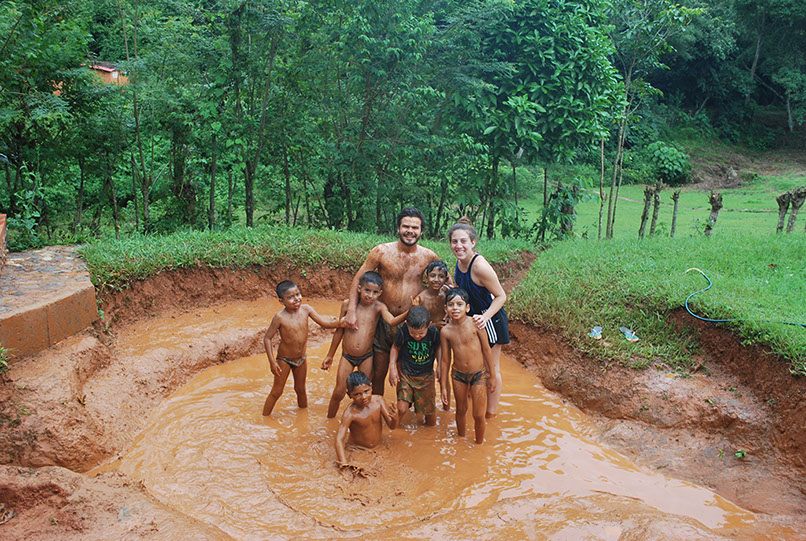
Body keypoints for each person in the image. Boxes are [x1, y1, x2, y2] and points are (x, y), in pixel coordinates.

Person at [344, 207, 441, 396]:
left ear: (422, 231)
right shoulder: (381, 252)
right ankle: (377, 408)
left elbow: (445, 284)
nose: (410, 231)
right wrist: (351, 310)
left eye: (415, 227)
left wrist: (443, 316)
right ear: (398, 228)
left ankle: (402, 410)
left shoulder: (429, 256)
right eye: (406, 226)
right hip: (383, 319)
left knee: (408, 373)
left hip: (410, 323)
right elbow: (358, 279)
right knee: (378, 373)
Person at [322, 271, 409, 418]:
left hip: (366, 357)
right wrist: (330, 355)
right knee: (339, 392)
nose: (370, 295)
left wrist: (409, 311)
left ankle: (368, 421)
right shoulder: (347, 305)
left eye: (375, 292)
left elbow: (391, 321)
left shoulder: (379, 307)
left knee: (366, 394)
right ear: (359, 288)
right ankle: (329, 420)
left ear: (380, 293)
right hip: (347, 356)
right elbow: (339, 331)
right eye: (367, 290)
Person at [449, 219, 509, 418]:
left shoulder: (480, 266)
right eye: (455, 241)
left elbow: (501, 296)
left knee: (491, 368)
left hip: (490, 318)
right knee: (475, 363)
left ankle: (491, 414)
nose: (459, 246)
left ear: (473, 243)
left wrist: (485, 317)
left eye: (463, 241)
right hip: (473, 319)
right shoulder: (459, 262)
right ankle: (474, 400)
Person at [262, 280, 343, 416]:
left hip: (301, 358)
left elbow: (325, 323)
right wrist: (272, 362)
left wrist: (341, 323)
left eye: (298, 294)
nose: (296, 299)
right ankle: (264, 417)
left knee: (300, 389)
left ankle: (303, 416)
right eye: (290, 297)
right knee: (277, 391)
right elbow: (267, 338)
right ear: (282, 301)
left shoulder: (306, 309)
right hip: (284, 360)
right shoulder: (280, 317)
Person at [440, 288, 495, 444]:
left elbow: (487, 350)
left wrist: (492, 376)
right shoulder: (445, 331)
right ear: (445, 308)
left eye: (459, 304)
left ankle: (479, 445)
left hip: (479, 374)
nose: (455, 308)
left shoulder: (476, 324)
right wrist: (443, 386)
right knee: (461, 410)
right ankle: (461, 441)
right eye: (451, 305)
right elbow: (445, 360)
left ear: (467, 308)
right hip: (458, 375)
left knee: (478, 415)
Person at [388, 306, 443, 426]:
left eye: (421, 333)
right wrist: (392, 367)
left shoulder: (433, 332)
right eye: (413, 333)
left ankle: (429, 435)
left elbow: (438, 347)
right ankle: (392, 429)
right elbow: (395, 348)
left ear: (429, 325)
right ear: (407, 324)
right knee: (401, 408)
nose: (417, 337)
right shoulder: (403, 331)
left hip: (426, 377)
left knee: (430, 417)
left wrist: (439, 365)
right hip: (406, 375)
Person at [335, 371, 398, 469]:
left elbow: (392, 426)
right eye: (357, 394)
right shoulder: (350, 413)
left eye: (366, 391)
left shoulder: (379, 401)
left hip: (378, 446)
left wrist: (395, 418)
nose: (363, 397)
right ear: (349, 395)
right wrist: (343, 462)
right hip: (357, 449)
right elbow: (339, 439)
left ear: (371, 387)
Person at [412, 260, 449, 329]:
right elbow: (417, 323)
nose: (436, 279)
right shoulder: (421, 299)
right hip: (428, 331)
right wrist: (434, 325)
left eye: (441, 276)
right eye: (432, 276)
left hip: (445, 328)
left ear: (446, 279)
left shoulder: (446, 291)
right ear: (426, 278)